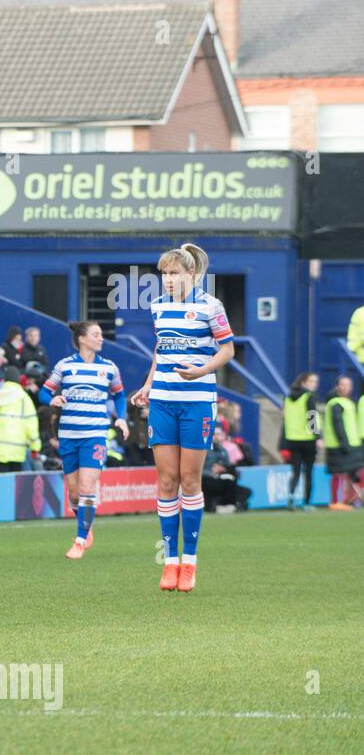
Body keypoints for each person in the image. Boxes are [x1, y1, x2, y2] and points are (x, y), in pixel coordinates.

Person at [129, 243, 235, 593]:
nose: (168, 280)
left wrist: (202, 369)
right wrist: (147, 385)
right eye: (164, 274)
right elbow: (161, 351)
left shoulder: (210, 306)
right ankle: (169, 562)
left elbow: (228, 349)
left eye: (175, 273)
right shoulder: (159, 307)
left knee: (190, 481)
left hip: (197, 402)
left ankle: (189, 563)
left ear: (191, 274)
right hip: (162, 401)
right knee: (166, 480)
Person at [37, 322, 128, 559]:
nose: (101, 339)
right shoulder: (65, 366)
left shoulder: (109, 368)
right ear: (82, 339)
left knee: (88, 488)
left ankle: (79, 541)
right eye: (96, 335)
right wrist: (52, 400)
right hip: (68, 435)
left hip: (95, 435)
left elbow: (119, 395)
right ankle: (86, 526)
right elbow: (44, 391)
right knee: (75, 494)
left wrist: (122, 418)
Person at [0, 366, 40, 474]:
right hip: (17, 448)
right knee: (14, 483)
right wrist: (35, 446)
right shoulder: (24, 398)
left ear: (5, 379)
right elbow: (31, 423)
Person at [323, 375, 364, 510]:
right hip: (337, 444)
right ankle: (337, 501)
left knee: (353, 473)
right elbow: (312, 416)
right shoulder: (332, 403)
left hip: (353, 442)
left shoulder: (350, 403)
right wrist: (315, 435)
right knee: (340, 473)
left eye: (349, 385)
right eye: (344, 385)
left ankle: (350, 500)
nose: (347, 388)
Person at [280, 372, 319, 511]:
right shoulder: (309, 396)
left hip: (292, 439)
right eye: (312, 381)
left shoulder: (288, 398)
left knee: (295, 471)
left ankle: (291, 497)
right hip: (308, 440)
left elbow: (285, 417)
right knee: (308, 472)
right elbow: (311, 416)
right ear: (303, 382)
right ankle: (307, 502)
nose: (315, 384)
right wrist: (317, 436)